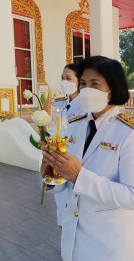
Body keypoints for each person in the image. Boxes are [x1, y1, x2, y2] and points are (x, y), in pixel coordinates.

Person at [41, 56, 134, 261]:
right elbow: (64, 180)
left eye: (94, 83)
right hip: (75, 235)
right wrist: (51, 173)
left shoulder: (129, 132)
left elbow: (133, 196)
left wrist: (80, 176)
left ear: (113, 88)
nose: (86, 89)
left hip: (110, 242)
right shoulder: (74, 125)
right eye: (83, 83)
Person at [53, 63, 86, 227]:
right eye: (62, 78)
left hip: (75, 159)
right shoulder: (58, 103)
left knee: (74, 210)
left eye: (68, 78)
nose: (64, 81)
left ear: (79, 82)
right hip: (58, 160)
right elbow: (54, 128)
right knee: (61, 207)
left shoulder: (85, 105)